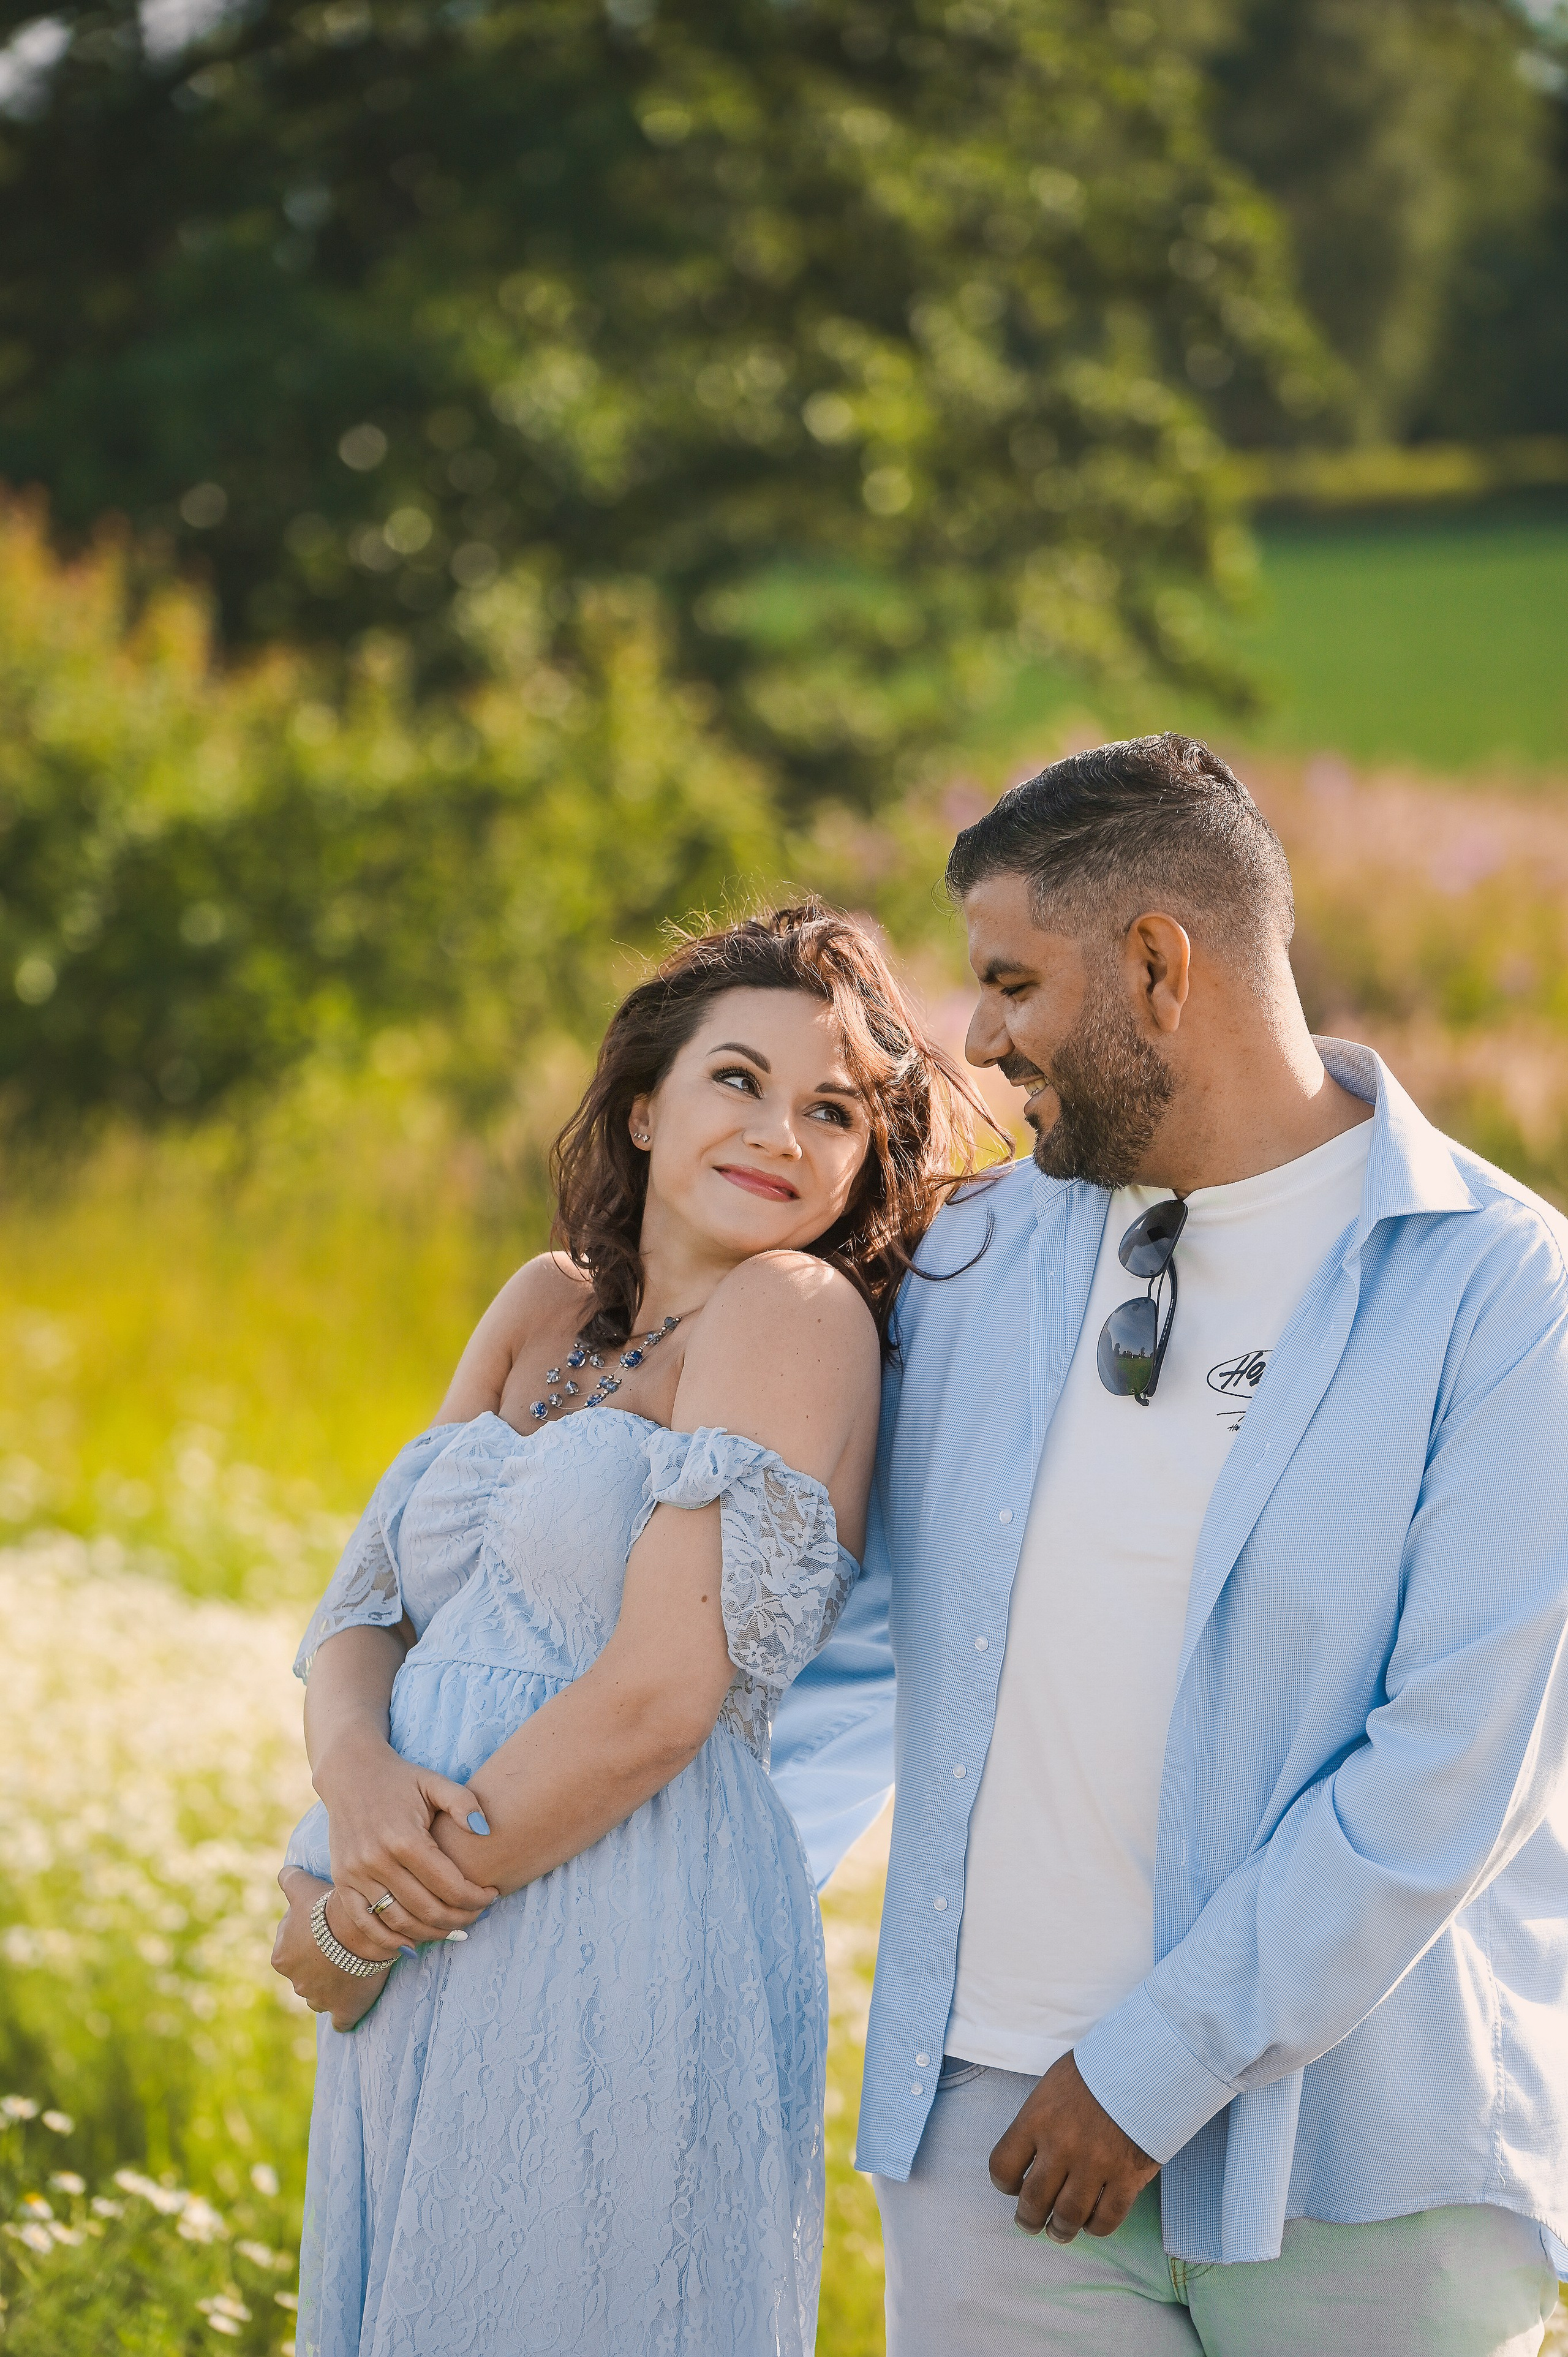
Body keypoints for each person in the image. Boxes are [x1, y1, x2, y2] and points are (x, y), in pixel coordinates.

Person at [771, 735, 1568, 2357]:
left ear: (1156, 966)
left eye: (1007, 981)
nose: (974, 1042)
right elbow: (836, 1649)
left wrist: (1151, 2073)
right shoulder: (968, 1264)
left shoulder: (1504, 1295)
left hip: (1374, 2179)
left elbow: (1451, 1770)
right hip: (988, 2153)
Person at [268, 901, 991, 2357]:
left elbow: (663, 1693)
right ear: (647, 1103)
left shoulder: (791, 1315)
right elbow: (365, 1607)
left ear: (863, 1161)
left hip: (622, 1904)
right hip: (431, 1900)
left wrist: (372, 1913)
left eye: (832, 1109)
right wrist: (347, 1787)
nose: (777, 1131)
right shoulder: (545, 1303)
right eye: (738, 1079)